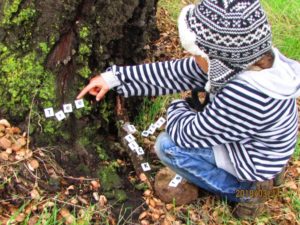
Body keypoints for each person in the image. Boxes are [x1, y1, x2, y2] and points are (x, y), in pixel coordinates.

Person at [77, 0, 300, 218]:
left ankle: (248, 192)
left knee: (168, 146)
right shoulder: (250, 60)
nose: (191, 58)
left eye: (196, 54)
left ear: (218, 60)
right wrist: (115, 78)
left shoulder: (246, 96)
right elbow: (177, 73)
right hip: (265, 147)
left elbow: (187, 135)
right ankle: (271, 172)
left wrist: (179, 107)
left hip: (253, 158)